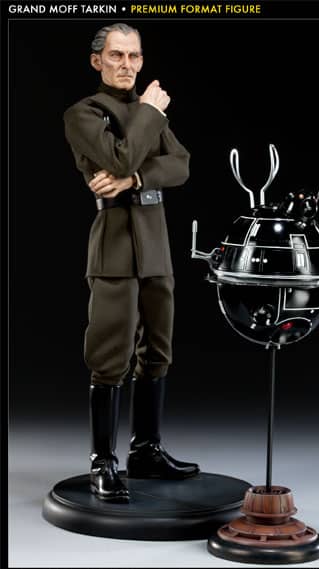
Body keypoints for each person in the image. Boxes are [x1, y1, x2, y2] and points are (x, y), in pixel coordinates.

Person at [64, 23, 199, 503]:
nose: (127, 65)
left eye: (134, 56)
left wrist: (135, 177)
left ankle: (146, 450)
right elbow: (116, 159)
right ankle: (103, 460)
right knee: (110, 356)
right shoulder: (84, 113)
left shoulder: (147, 111)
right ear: (97, 61)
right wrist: (149, 114)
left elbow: (181, 165)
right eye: (117, 55)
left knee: (158, 350)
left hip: (156, 245)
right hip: (116, 247)